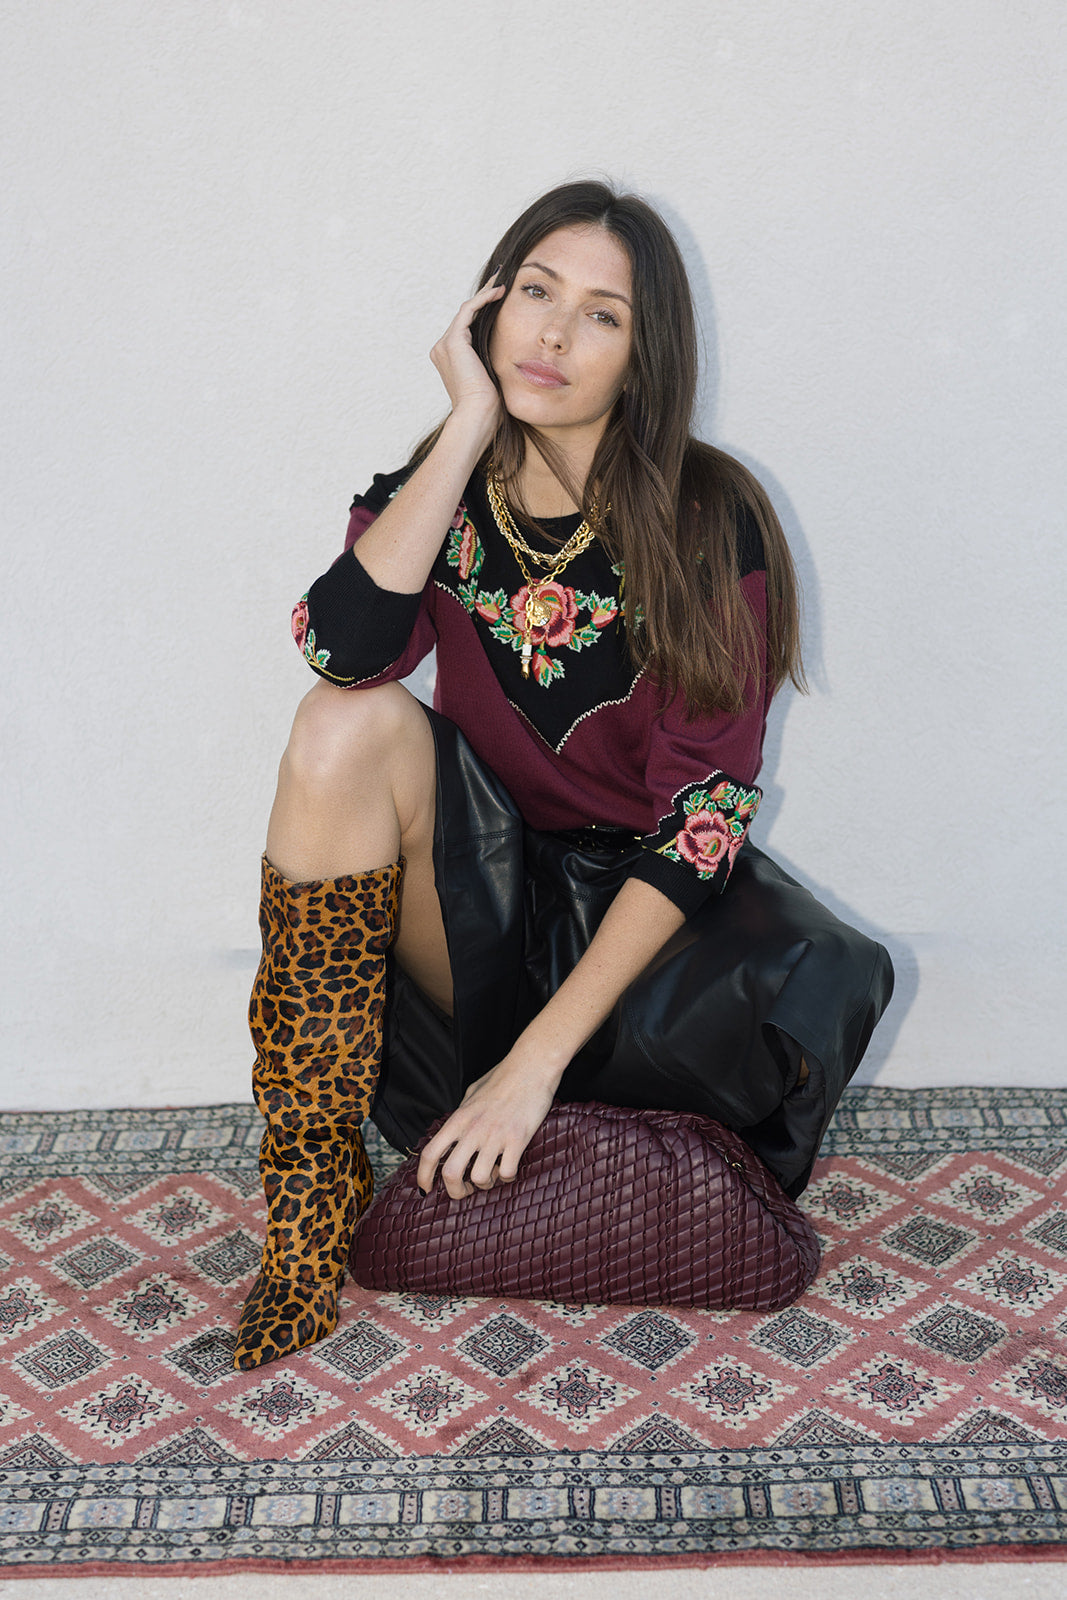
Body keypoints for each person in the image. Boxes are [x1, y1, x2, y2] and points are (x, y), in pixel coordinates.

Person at [233, 180, 893, 1372]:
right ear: (486, 308)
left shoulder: (712, 517)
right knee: (344, 724)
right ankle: (311, 1196)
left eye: (601, 314)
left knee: (812, 975)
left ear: (643, 358)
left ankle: (562, 1104)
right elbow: (339, 649)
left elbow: (704, 816)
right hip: (484, 904)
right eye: (533, 293)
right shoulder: (437, 491)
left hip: (653, 925)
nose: (550, 332)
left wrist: (531, 1067)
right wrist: (462, 432)